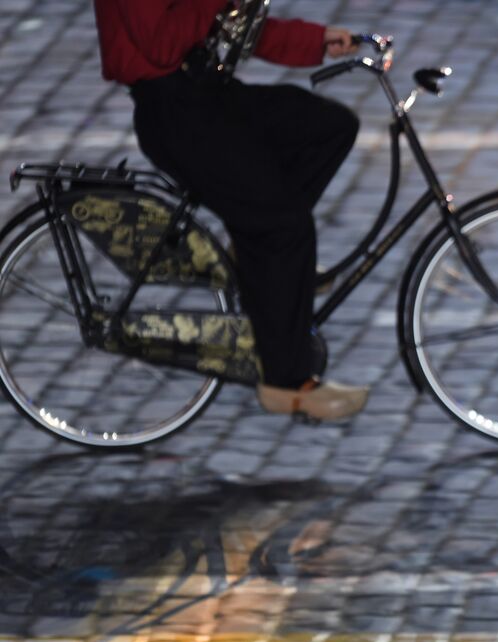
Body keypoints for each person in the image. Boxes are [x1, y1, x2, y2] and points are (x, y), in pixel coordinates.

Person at [93, 1, 369, 420]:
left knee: (328, 127)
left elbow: (230, 24)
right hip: (173, 113)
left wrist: (315, 40)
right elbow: (162, 44)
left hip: (207, 93)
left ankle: (260, 257)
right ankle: (287, 382)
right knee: (285, 227)